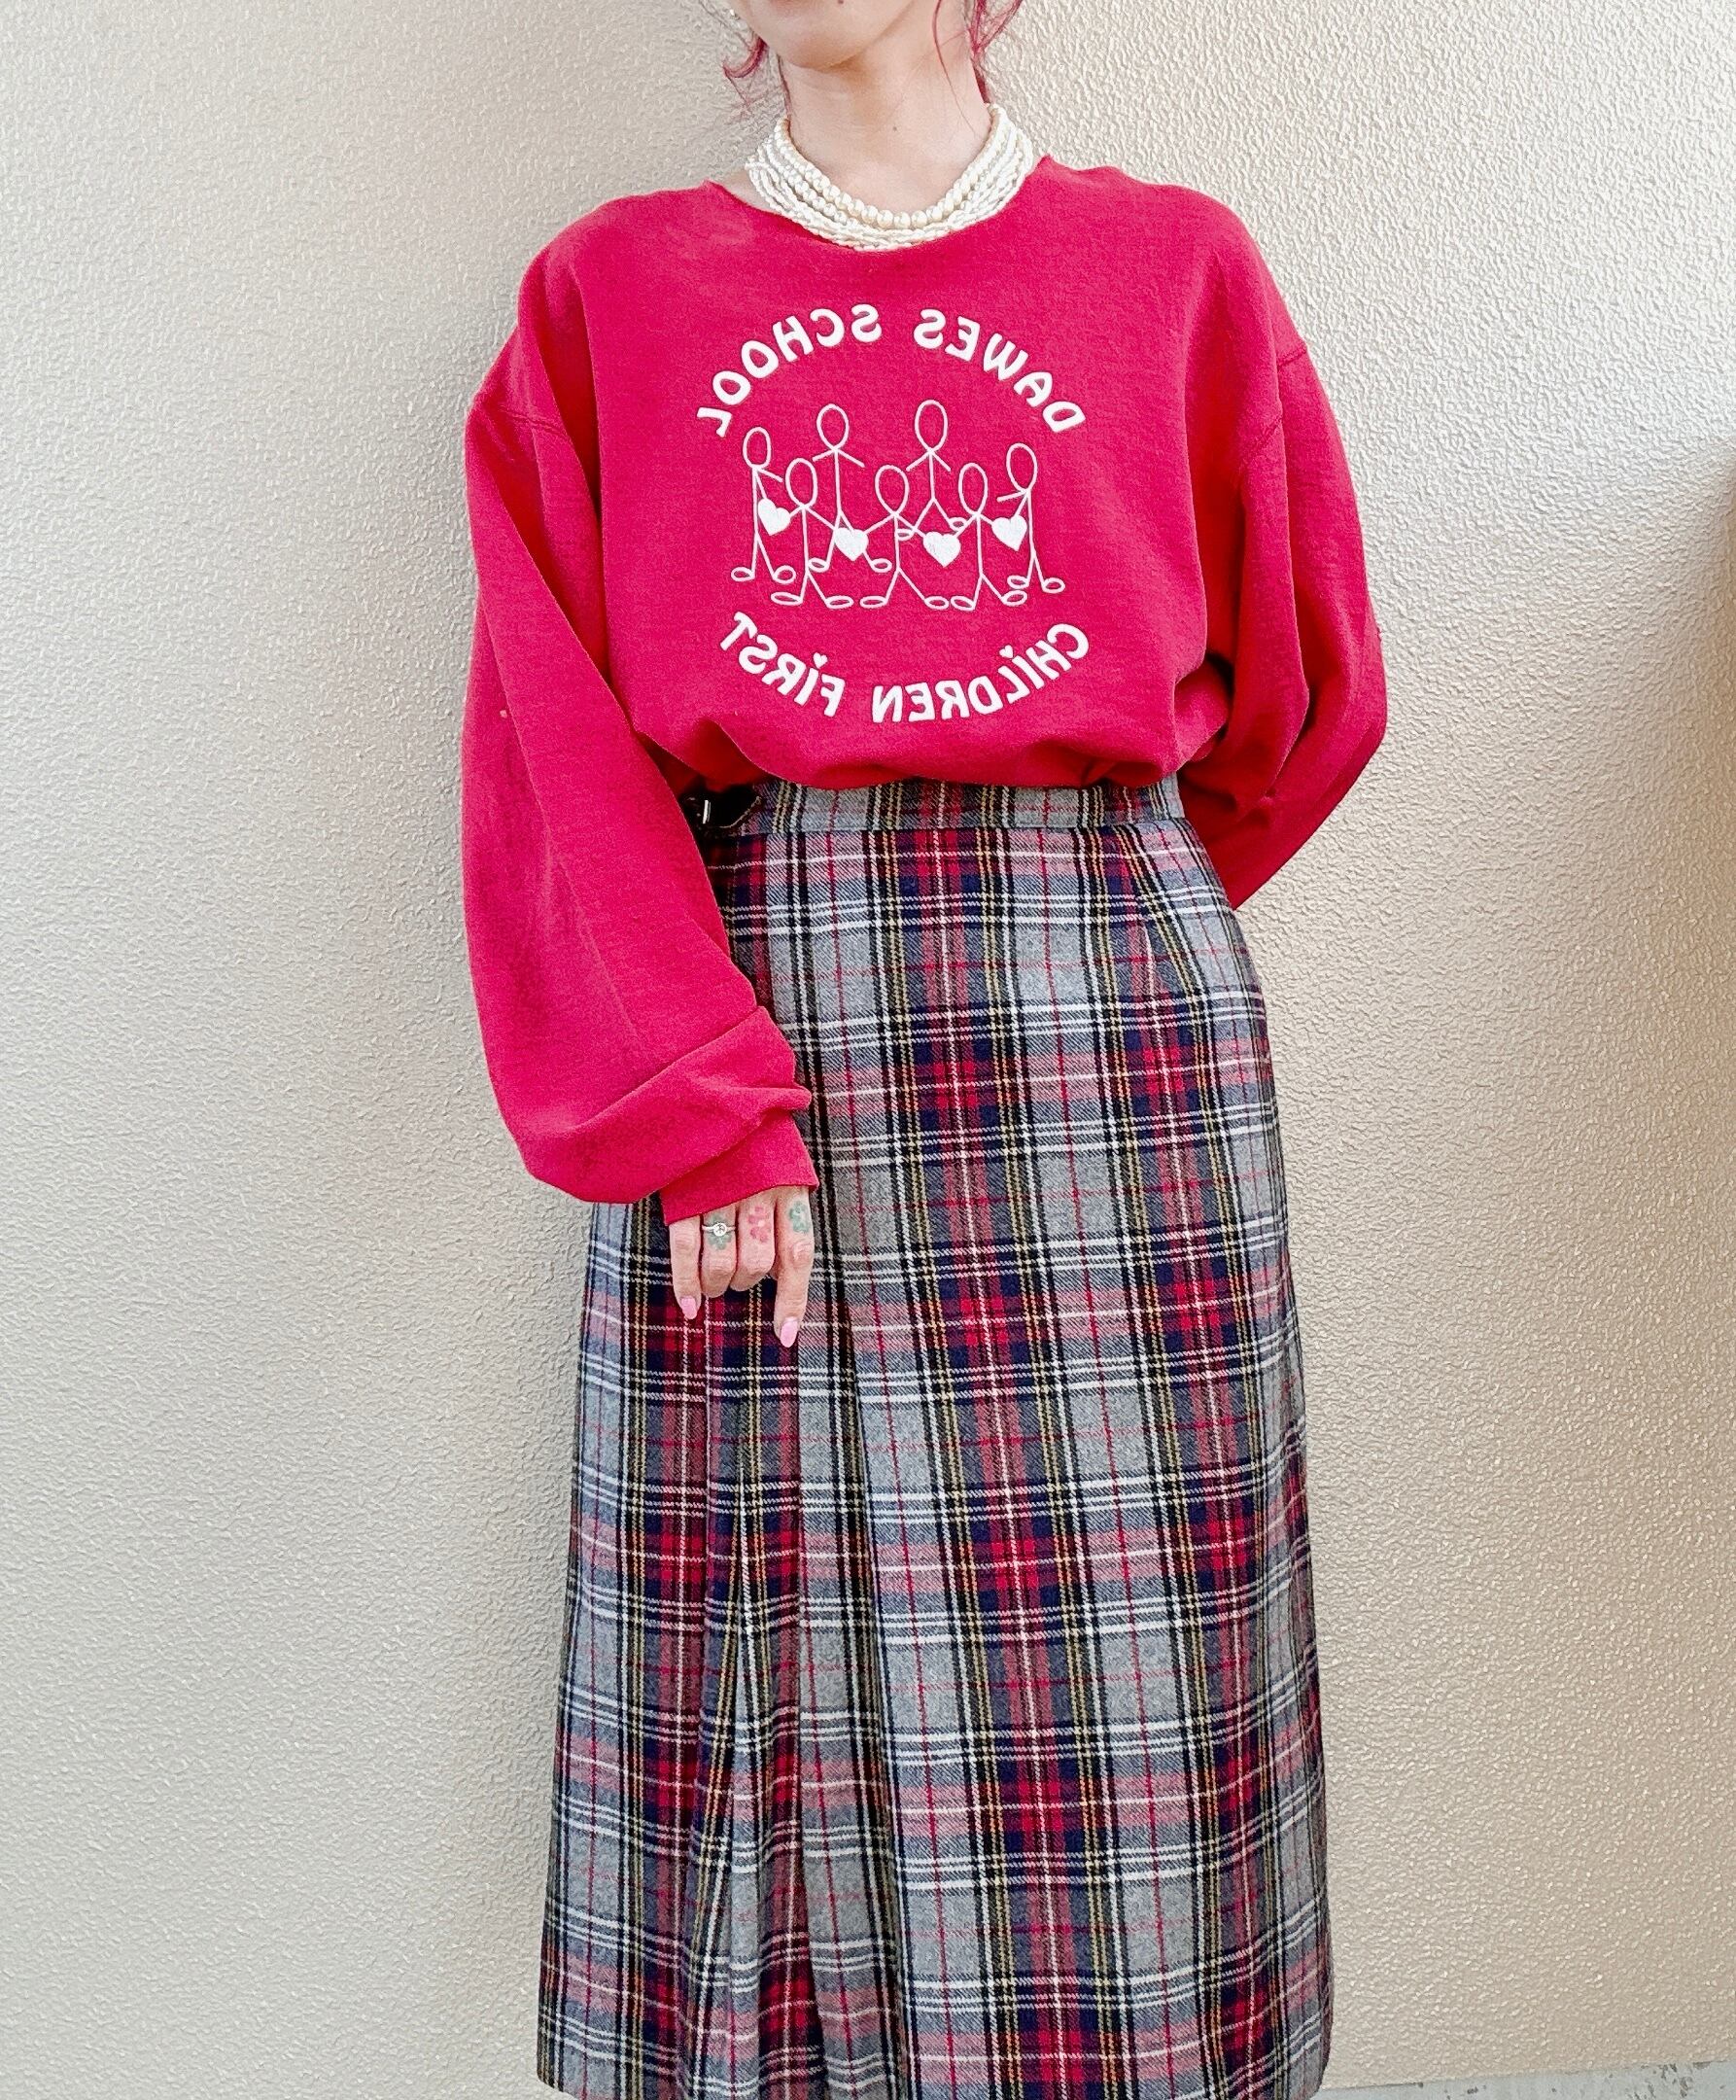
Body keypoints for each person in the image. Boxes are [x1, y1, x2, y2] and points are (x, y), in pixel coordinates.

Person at [456, 3, 1388, 2095]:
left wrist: (1096, 918)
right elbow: (549, 742)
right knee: (765, 1666)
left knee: (1125, 1680)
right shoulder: (609, 295)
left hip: (1107, 1044)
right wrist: (697, 1102)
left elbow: (1308, 694)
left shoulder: (1176, 271)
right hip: (747, 1023)